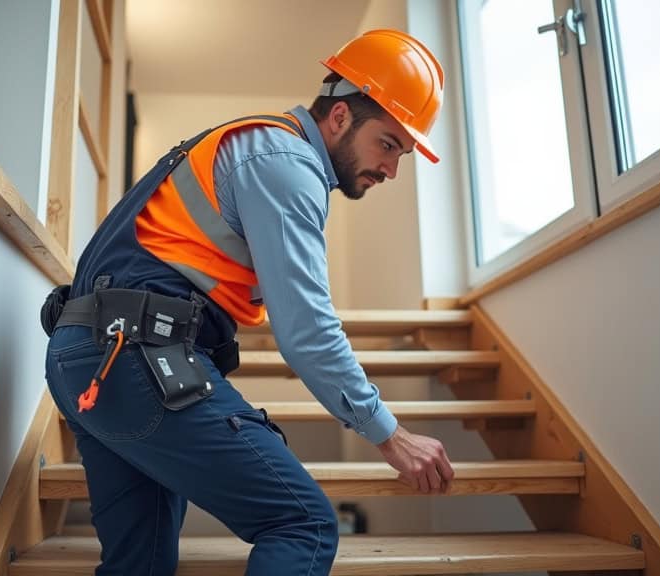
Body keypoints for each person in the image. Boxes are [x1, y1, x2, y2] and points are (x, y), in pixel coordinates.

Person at [41, 28, 454, 576]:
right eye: (387, 143)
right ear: (339, 117)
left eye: (402, 153)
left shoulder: (257, 145)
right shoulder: (287, 163)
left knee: (138, 566)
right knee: (302, 524)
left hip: (87, 356)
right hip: (133, 356)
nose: (392, 169)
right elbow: (307, 330)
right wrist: (391, 436)